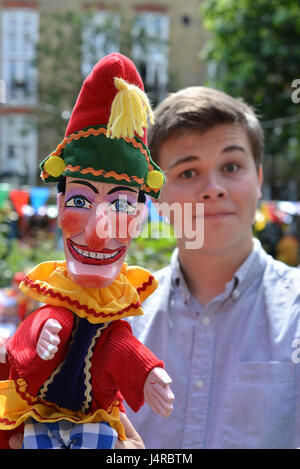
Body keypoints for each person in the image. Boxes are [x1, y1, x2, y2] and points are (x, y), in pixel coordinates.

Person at [0, 53, 174, 449]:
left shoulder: (113, 316)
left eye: (121, 205)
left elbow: (117, 347)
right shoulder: (54, 301)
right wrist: (40, 335)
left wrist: (147, 373)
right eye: (79, 202)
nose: (99, 233)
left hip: (93, 427)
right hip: (32, 420)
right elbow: (26, 343)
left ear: (141, 216)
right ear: (60, 207)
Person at [126, 86, 300, 449]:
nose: (214, 188)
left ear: (259, 180)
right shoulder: (120, 321)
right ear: (156, 195)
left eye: (231, 166)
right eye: (188, 173)